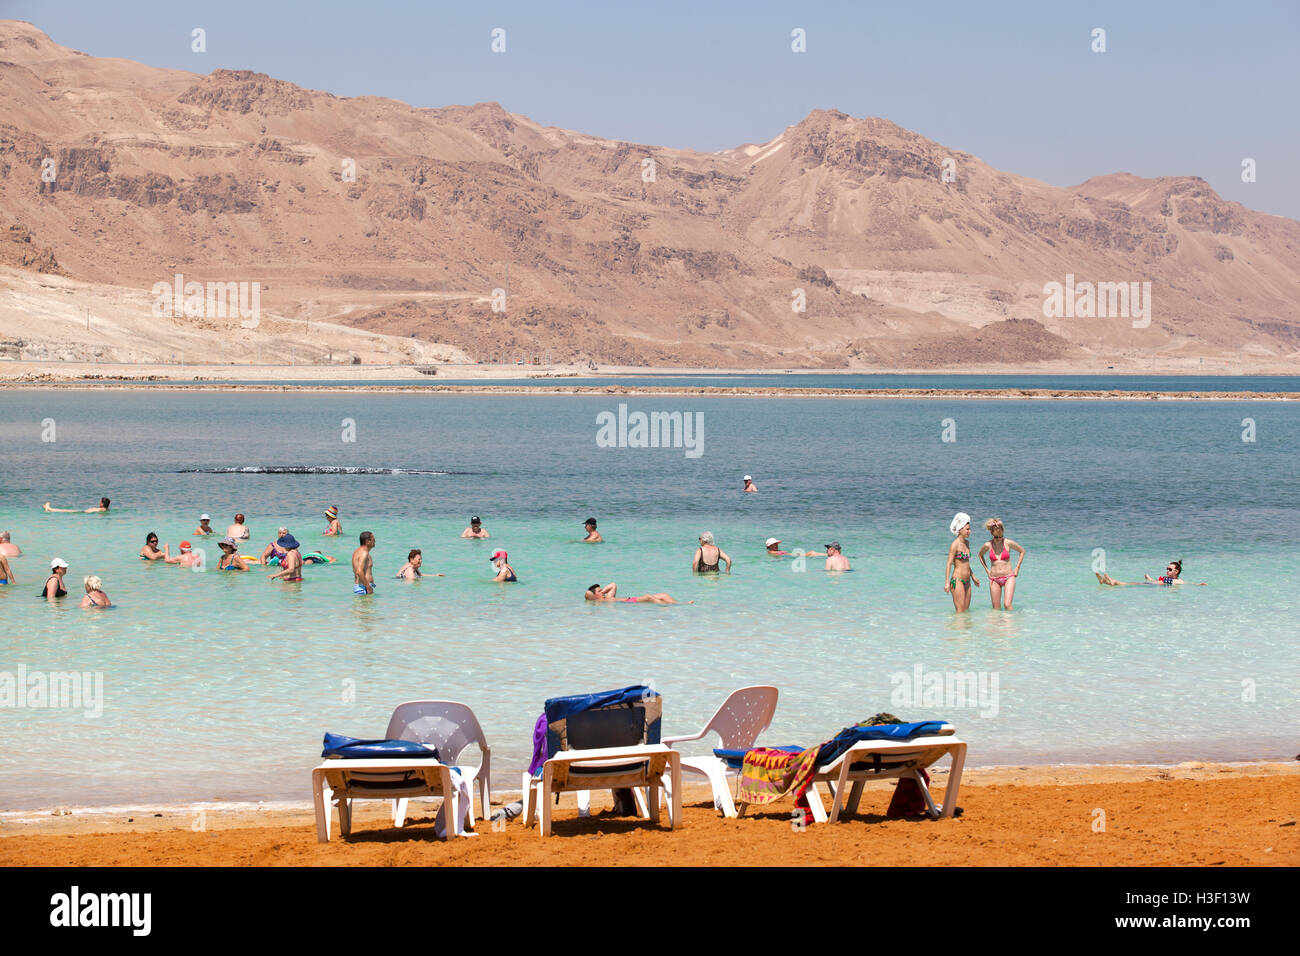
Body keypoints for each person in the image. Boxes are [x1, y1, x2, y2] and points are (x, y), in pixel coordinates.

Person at [979, 517, 1026, 609]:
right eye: (996, 537)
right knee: (996, 608)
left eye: (1000, 536)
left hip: (1008, 577)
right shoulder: (987, 545)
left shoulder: (1008, 542)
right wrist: (987, 571)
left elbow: (1022, 551)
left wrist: (1017, 568)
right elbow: (980, 555)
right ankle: (997, 623)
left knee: (1007, 604)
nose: (998, 539)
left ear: (1003, 532)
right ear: (991, 533)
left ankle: (1012, 623)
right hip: (994, 579)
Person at [944, 512, 980, 612]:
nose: (969, 531)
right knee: (960, 612)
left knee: (966, 612)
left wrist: (973, 577)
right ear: (960, 529)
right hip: (957, 581)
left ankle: (964, 628)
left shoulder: (967, 543)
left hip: (967, 582)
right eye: (967, 529)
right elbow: (949, 563)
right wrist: (947, 583)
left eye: (970, 529)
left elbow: (966, 563)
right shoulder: (954, 545)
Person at [1096, 559, 1206, 587]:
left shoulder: (1178, 580)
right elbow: (1158, 582)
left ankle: (1110, 581)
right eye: (1167, 568)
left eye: (1170, 569)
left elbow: (1186, 584)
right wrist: (1149, 579)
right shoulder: (1166, 578)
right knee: (1131, 583)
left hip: (1151, 586)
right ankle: (1106, 581)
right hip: (1151, 585)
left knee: (1130, 584)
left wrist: (1198, 585)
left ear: (1176, 571)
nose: (1167, 571)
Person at [585, 582, 688, 604]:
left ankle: (678, 604)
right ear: (594, 594)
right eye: (600, 591)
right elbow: (587, 594)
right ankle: (673, 606)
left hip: (632, 598)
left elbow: (613, 584)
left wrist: (601, 591)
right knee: (648, 596)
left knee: (663, 595)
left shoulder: (607, 597)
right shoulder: (600, 601)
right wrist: (596, 595)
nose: (602, 592)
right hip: (630, 603)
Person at [44, 497, 110, 513]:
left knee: (65, 510)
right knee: (65, 511)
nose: (99, 503)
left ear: (102, 503)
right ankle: (49, 508)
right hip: (84, 512)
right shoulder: (106, 509)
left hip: (83, 513)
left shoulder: (101, 509)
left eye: (100, 502)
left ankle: (49, 509)